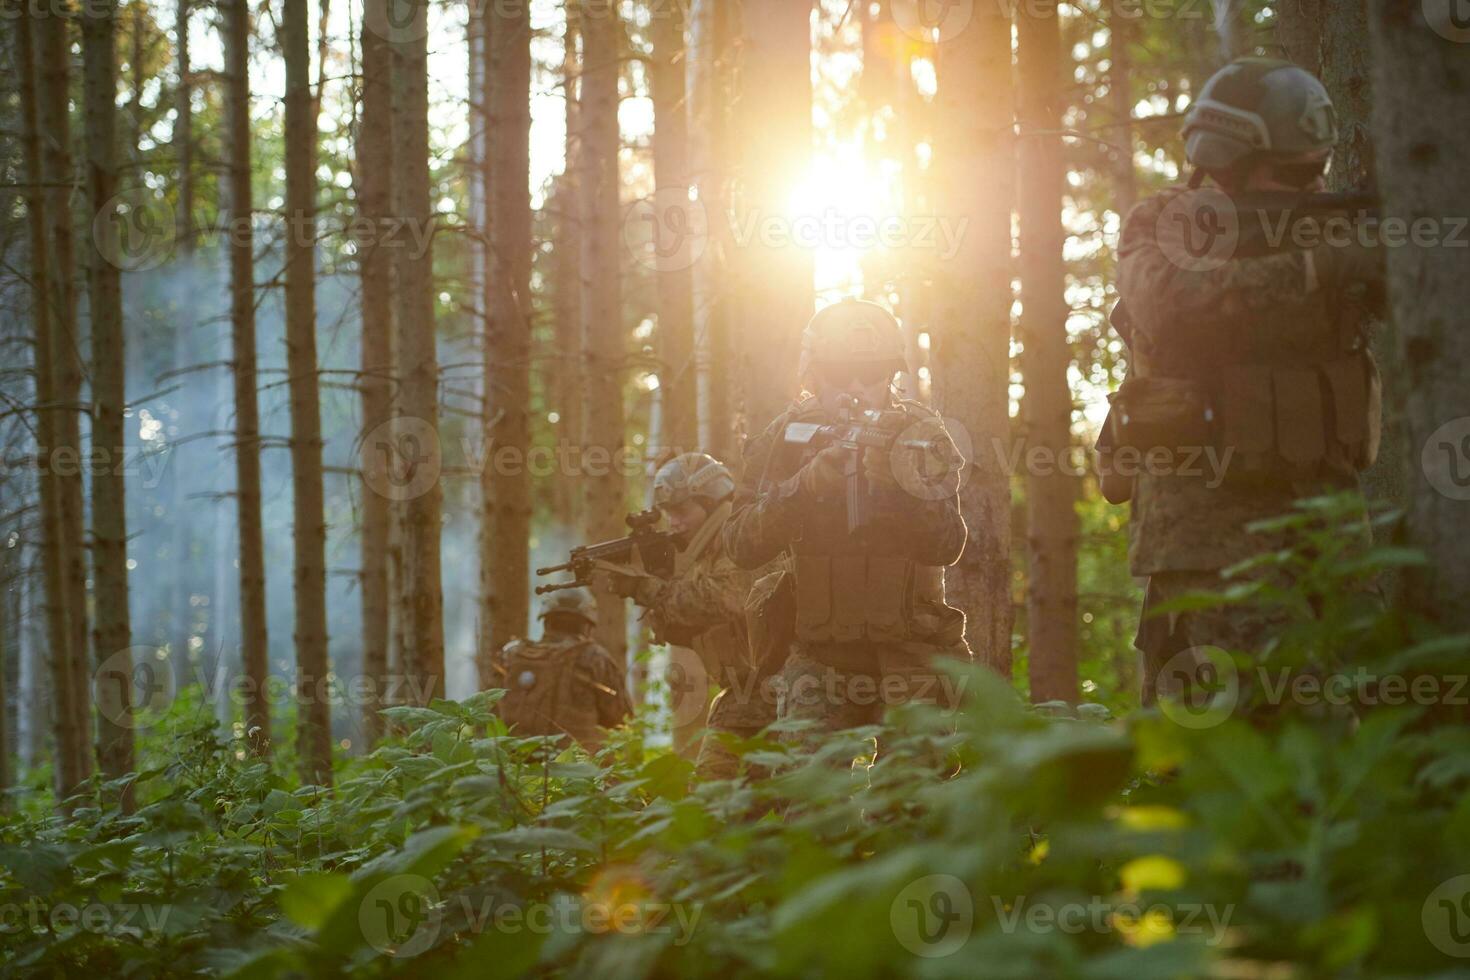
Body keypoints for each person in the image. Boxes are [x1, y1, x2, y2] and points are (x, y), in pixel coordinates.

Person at [1114, 57, 1386, 703]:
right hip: (1209, 532)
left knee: (1373, 720)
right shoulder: (1165, 223)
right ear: (1225, 160)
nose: (1311, 186)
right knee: (1247, 729)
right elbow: (1171, 303)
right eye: (1293, 173)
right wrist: (1316, 269)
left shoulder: (1329, 223)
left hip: (1329, 522)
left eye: (1317, 170)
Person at [720, 298, 971, 748]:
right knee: (811, 802)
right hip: (821, 656)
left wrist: (902, 490)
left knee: (914, 804)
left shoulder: (919, 433)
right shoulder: (786, 437)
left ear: (892, 375)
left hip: (913, 654)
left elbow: (947, 544)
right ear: (814, 374)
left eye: (872, 372)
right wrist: (805, 485)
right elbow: (739, 545)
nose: (855, 386)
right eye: (839, 372)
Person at [594, 453, 772, 778]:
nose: (674, 522)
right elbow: (687, 624)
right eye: (668, 513)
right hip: (744, 695)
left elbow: (726, 597)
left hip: (788, 691)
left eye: (681, 511)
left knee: (803, 805)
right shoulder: (699, 552)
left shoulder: (742, 535)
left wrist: (648, 589)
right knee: (709, 805)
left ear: (711, 501)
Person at [487, 587, 633, 752]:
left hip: (515, 763)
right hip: (576, 769)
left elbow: (489, 712)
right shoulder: (595, 657)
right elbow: (622, 720)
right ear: (586, 624)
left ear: (546, 621)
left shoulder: (511, 654)